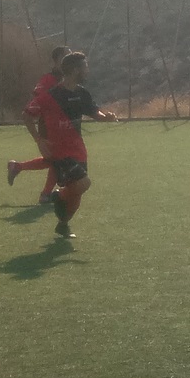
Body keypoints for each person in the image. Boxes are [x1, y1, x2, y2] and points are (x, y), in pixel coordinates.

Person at [22, 51, 117, 238]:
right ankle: (58, 196)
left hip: (78, 151)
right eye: (85, 67)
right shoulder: (51, 95)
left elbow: (95, 113)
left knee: (77, 191)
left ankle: (63, 223)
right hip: (59, 153)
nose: (87, 70)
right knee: (84, 183)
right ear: (75, 70)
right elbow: (27, 115)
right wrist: (39, 140)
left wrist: (106, 117)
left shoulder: (82, 93)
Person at [7, 44, 71, 203]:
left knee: (53, 160)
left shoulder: (67, 80)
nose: (70, 59)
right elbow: (37, 103)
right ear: (58, 60)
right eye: (67, 56)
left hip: (63, 128)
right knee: (58, 161)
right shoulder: (48, 79)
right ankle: (46, 194)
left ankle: (17, 167)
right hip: (49, 127)